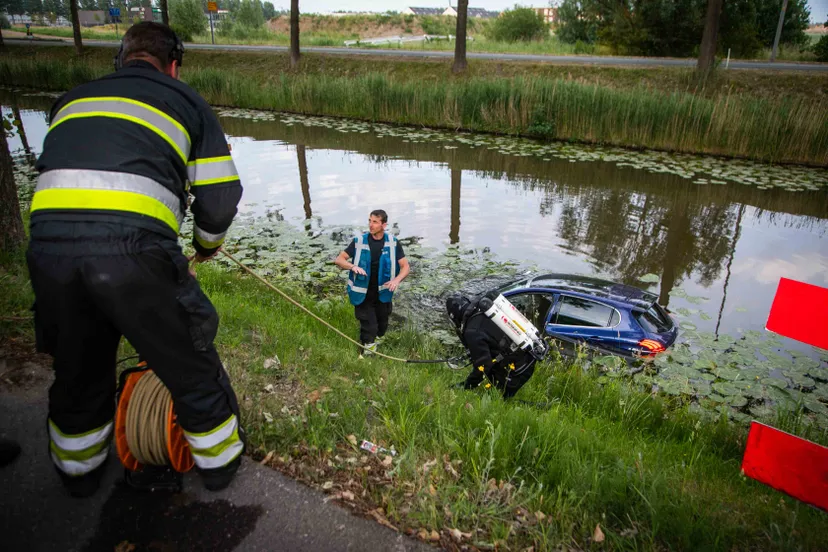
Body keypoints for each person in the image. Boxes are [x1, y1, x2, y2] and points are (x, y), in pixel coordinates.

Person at [26, 22, 244, 498]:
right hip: (134, 254)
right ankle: (221, 465)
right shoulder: (185, 101)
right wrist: (204, 249)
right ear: (174, 65)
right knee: (188, 359)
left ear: (119, 60)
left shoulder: (71, 100)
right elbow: (221, 198)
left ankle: (78, 474)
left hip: (48, 252)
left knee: (78, 366)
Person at [334, 210, 410, 356]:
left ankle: (373, 342)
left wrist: (396, 280)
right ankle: (368, 357)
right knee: (370, 327)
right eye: (369, 221)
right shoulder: (359, 241)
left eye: (375, 222)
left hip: (383, 293)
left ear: (384, 224)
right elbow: (339, 259)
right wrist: (353, 267)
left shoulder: (393, 243)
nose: (371, 225)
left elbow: (405, 267)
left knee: (382, 327)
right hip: (363, 294)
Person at [446, 295, 538, 399]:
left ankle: (505, 398)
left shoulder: (471, 331)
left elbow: (483, 366)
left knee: (501, 401)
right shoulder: (481, 311)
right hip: (528, 355)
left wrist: (467, 385)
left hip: (518, 369)